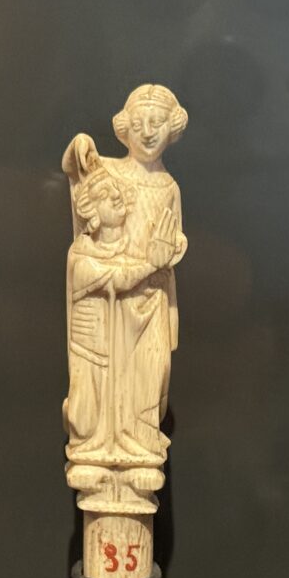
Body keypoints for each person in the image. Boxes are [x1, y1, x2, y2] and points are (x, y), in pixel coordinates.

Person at [62, 84, 189, 440]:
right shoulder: (111, 172)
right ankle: (109, 439)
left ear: (172, 127)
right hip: (113, 296)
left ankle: (141, 439)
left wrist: (171, 249)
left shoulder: (169, 187)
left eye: (157, 123)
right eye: (138, 124)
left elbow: (175, 236)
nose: (147, 132)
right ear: (125, 129)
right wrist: (81, 145)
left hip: (151, 296)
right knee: (112, 375)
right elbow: (75, 169)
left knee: (152, 370)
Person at [64, 167, 178, 482]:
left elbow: (136, 279)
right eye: (106, 195)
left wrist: (161, 264)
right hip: (91, 349)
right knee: (89, 419)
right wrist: (152, 264)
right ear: (92, 212)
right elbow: (120, 278)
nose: (116, 198)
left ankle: (135, 440)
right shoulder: (81, 254)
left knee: (137, 390)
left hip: (122, 347)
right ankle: (95, 447)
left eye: (117, 192)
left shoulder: (129, 248)